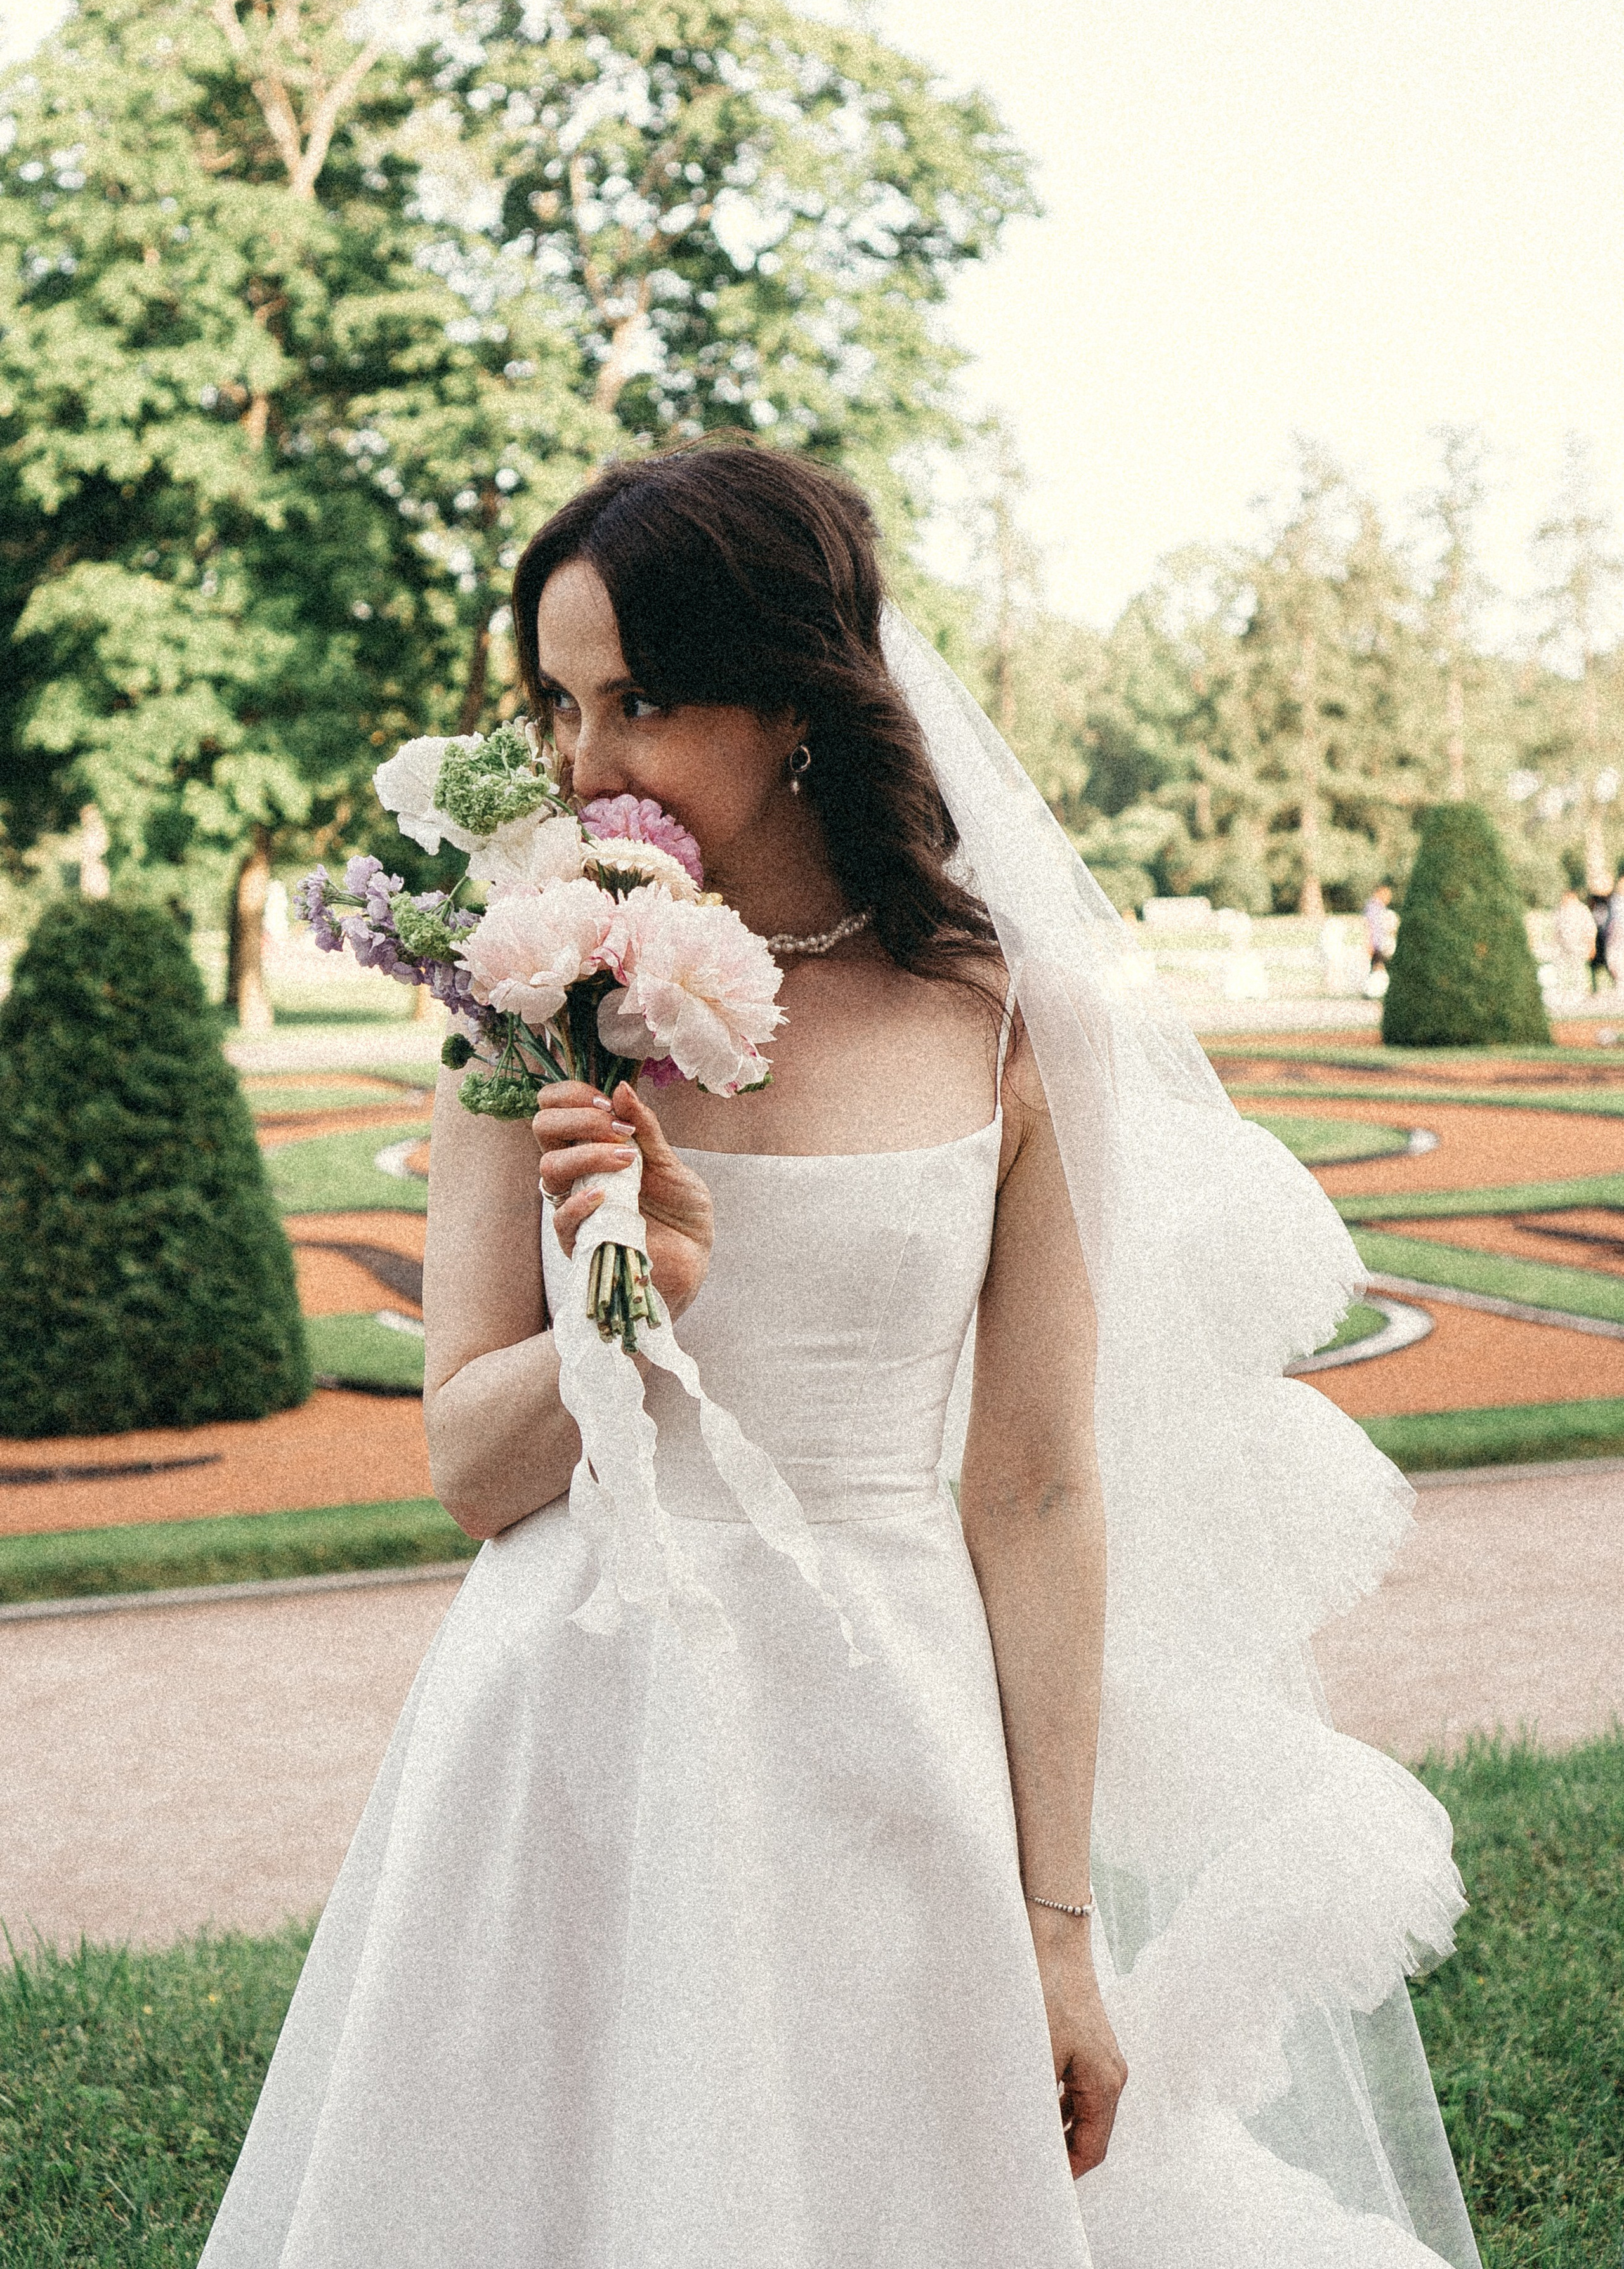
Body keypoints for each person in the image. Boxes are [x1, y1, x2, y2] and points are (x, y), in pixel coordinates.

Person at [200, 445, 1480, 2267]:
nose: (581, 768)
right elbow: (472, 1471)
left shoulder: (1013, 1020)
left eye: (638, 701)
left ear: (799, 694)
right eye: (558, 706)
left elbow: (1036, 1489)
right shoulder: (532, 1005)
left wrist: (1056, 1929)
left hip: (884, 1730)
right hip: (574, 1733)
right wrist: (645, 1322)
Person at [1554, 887, 1597, 994]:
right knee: (1564, 970)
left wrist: (1592, 945)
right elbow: (1557, 930)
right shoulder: (1561, 910)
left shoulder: (1582, 910)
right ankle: (1567, 993)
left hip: (1579, 945)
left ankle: (1581, 993)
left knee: (1579, 970)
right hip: (1564, 947)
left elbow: (1591, 929)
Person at [1587, 879, 1614, 992]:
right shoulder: (1595, 906)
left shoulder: (1605, 905)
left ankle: (1613, 982)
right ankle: (1595, 987)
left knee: (1605, 962)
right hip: (1597, 937)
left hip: (1602, 937)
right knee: (1594, 964)